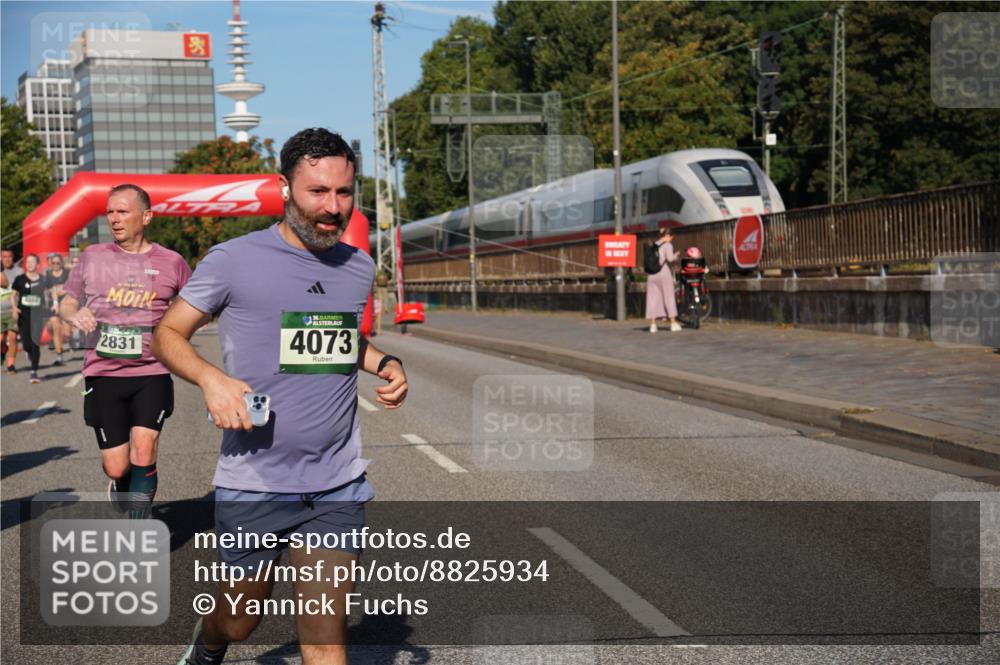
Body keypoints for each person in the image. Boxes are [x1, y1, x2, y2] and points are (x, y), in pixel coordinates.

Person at [153, 128, 408, 665]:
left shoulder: (358, 266)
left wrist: (383, 362)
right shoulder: (233, 259)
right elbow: (168, 334)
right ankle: (211, 638)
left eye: (344, 193)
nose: (332, 207)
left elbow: (338, 338)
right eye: (317, 191)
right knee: (241, 623)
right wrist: (211, 379)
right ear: (285, 188)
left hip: (336, 481)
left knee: (324, 640)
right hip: (255, 480)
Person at [60, 184, 192, 518]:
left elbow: (195, 305)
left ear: (146, 216)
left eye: (123, 211)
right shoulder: (93, 257)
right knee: (117, 467)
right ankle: (121, 484)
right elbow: (67, 300)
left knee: (145, 449)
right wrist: (74, 312)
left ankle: (138, 530)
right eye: (110, 212)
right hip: (103, 373)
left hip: (153, 371)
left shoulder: (172, 262)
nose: (114, 219)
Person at [10, 254, 48, 383]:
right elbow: (13, 295)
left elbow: (52, 290)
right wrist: (15, 308)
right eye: (28, 262)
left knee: (35, 342)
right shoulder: (19, 279)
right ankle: (28, 351)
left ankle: (34, 371)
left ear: (37, 264)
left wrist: (54, 304)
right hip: (23, 315)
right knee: (26, 344)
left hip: (38, 314)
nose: (30, 264)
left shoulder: (43, 279)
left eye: (33, 262)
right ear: (25, 264)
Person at [645, 227, 682, 333]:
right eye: (671, 237)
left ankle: (652, 325)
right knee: (669, 296)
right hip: (663, 272)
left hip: (651, 274)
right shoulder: (668, 245)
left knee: (652, 299)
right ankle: (673, 323)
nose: (671, 239)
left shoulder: (653, 245)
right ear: (668, 236)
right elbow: (670, 259)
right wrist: (676, 256)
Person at [44, 253, 71, 365]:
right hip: (53, 306)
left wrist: (64, 291)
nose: (55, 265)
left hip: (66, 305)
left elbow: (73, 286)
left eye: (57, 263)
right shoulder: (48, 275)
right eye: (53, 263)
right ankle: (59, 356)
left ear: (61, 263)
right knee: (54, 326)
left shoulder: (67, 273)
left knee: (66, 334)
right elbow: (46, 290)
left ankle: (60, 341)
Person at [2, 248, 23, 372]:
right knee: (1, 339)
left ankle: (11, 364)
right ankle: (3, 350)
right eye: (4, 257)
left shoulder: (19, 272)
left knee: (13, 337)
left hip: (13, 310)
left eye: (9, 256)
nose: (7, 259)